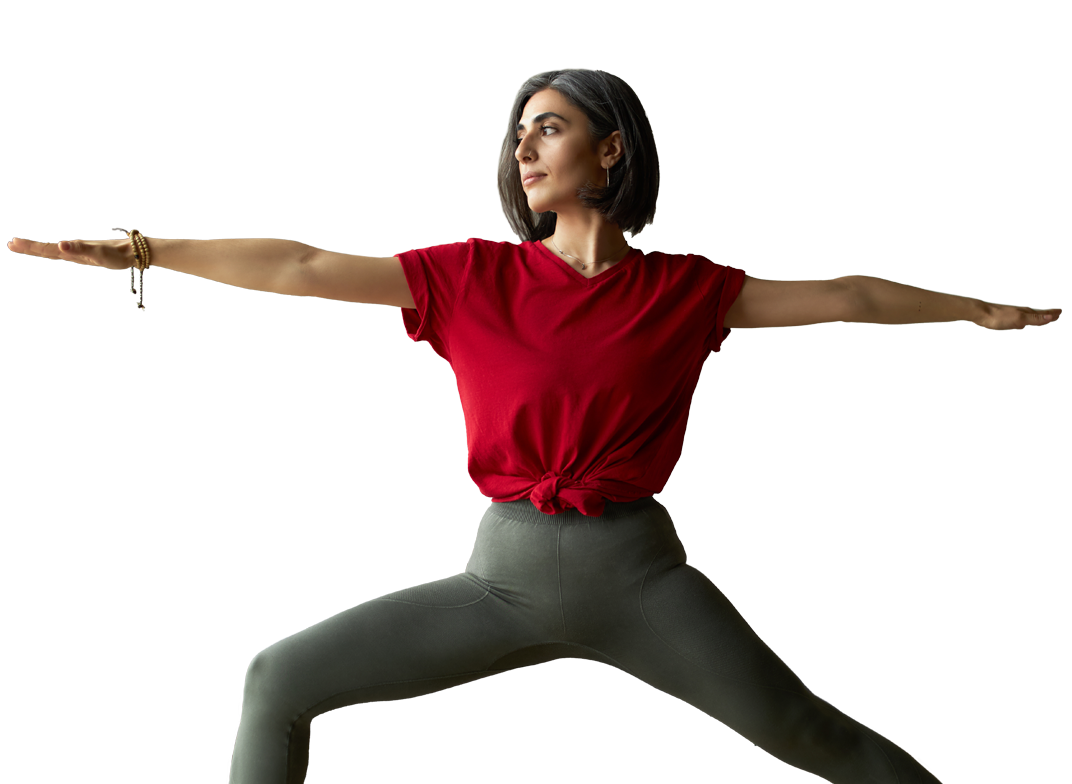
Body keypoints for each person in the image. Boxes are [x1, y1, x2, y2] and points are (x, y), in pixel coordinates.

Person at [8, 70, 1062, 784]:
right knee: (277, 677)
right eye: (516, 136)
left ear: (610, 149)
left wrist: (973, 308)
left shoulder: (688, 291)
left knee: (814, 736)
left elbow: (848, 296)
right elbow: (301, 268)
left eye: (547, 127)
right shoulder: (471, 277)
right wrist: (143, 253)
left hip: (641, 576)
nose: (524, 150)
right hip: (501, 575)